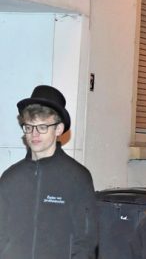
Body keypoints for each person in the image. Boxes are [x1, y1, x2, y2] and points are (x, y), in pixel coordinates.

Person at [0, 85, 98, 258]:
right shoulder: (9, 178)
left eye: (42, 127)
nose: (34, 134)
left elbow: (85, 242)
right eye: (29, 127)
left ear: (58, 129)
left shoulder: (77, 178)